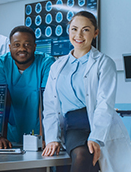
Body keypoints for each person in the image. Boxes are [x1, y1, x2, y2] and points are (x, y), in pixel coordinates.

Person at [42, 11, 131, 172]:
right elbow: (50, 106)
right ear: (68, 30)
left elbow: (105, 103)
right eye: (74, 29)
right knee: (81, 156)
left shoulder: (104, 63)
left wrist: (96, 137)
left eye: (86, 29)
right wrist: (52, 139)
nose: (79, 35)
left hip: (101, 126)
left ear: (95, 33)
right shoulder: (57, 66)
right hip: (74, 126)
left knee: (85, 157)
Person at [0, 26, 55, 148]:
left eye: (27, 45)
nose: (22, 49)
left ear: (35, 47)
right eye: (17, 44)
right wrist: (1, 136)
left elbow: (46, 101)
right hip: (11, 133)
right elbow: (0, 100)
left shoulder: (46, 63)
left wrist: (44, 137)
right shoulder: (2, 63)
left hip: (40, 130)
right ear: (10, 47)